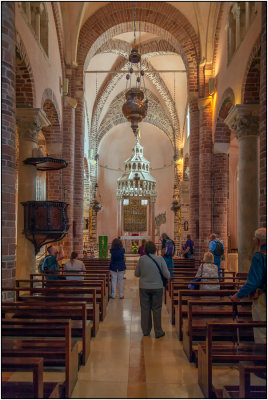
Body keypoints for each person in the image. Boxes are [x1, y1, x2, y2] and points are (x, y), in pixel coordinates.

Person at [230, 227, 266, 344]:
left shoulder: (259, 256)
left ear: (257, 240)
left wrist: (238, 295)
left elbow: (253, 282)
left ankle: (262, 358)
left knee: (262, 329)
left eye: (254, 237)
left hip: (263, 297)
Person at [135, 241, 170, 338]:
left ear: (145, 249)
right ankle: (158, 331)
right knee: (157, 309)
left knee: (145, 309)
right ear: (155, 249)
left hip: (144, 287)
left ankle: (146, 331)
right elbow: (167, 274)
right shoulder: (160, 259)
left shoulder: (141, 259)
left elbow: (137, 274)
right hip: (157, 287)